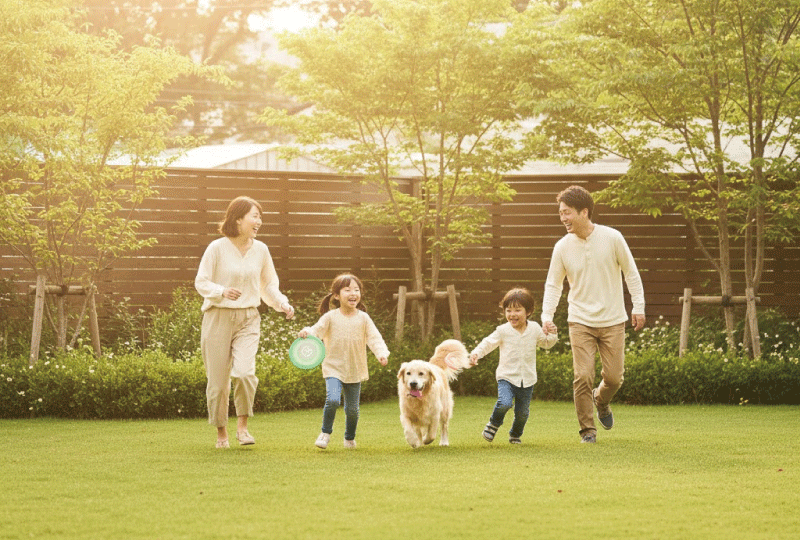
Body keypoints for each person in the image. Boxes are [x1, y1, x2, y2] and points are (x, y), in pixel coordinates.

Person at [541, 185, 645, 444]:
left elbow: (631, 273)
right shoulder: (562, 247)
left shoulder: (612, 238)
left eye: (567, 212)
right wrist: (547, 315)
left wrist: (638, 307)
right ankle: (587, 430)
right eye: (560, 213)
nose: (563, 218)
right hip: (580, 321)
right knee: (583, 376)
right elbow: (554, 284)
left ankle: (602, 401)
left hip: (613, 320)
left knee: (613, 378)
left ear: (584, 212)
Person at [195, 196, 295, 449]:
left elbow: (269, 284)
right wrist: (221, 291)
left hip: (249, 318)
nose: (259, 221)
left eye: (260, 217)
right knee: (218, 382)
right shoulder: (216, 248)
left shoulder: (261, 250)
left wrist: (281, 303)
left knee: (244, 373)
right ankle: (221, 434)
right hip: (217, 317)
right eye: (254, 216)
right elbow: (201, 282)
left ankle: (242, 428)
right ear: (237, 219)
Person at [298, 273, 389, 450]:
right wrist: (306, 333)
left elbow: (374, 338)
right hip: (333, 368)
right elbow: (316, 331)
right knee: (332, 400)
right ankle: (325, 433)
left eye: (356, 290)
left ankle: (349, 438)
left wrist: (381, 353)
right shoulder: (330, 317)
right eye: (347, 290)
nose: (353, 293)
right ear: (337, 295)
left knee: (353, 410)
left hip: (355, 369)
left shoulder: (363, 318)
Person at [469, 288, 558, 444]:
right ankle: (493, 424)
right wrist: (476, 353)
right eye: (508, 310)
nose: (512, 314)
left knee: (522, 413)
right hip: (507, 377)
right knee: (504, 403)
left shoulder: (535, 328)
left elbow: (546, 344)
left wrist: (552, 334)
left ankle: (515, 434)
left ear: (528, 311)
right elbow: (488, 343)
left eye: (517, 310)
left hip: (528, 379)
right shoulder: (503, 330)